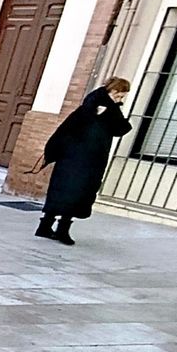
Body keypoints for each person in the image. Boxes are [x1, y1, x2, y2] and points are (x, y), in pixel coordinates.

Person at [36, 77, 132, 245]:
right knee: (70, 192)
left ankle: (52, 227)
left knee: (73, 193)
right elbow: (72, 128)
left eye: (122, 96)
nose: (120, 99)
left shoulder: (109, 108)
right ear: (112, 91)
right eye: (119, 95)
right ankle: (55, 228)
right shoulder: (93, 106)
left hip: (88, 160)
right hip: (77, 159)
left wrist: (113, 108)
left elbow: (121, 129)